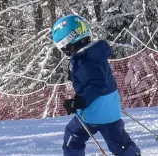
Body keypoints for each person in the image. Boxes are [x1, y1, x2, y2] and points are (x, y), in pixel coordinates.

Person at [52, 14, 141, 156]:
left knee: (73, 136)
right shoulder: (94, 53)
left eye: (63, 47)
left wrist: (79, 102)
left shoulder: (83, 60)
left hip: (94, 112)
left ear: (69, 41)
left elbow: (97, 84)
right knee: (120, 143)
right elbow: (100, 78)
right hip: (111, 110)